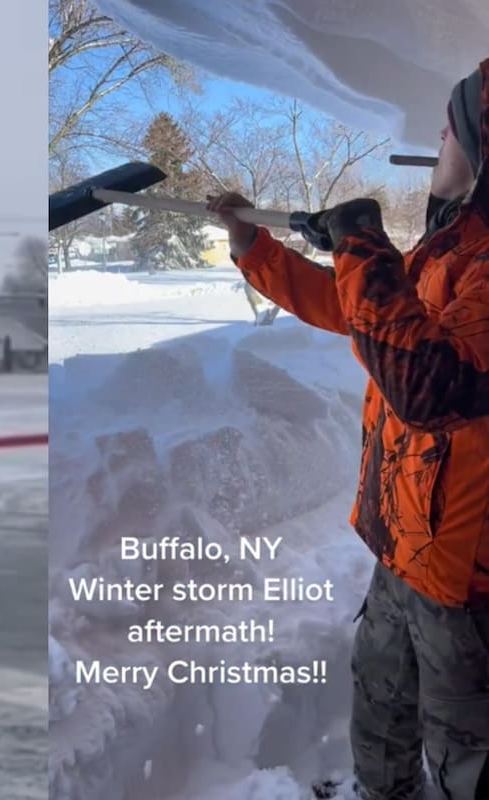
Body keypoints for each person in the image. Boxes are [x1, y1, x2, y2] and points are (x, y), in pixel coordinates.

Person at [208, 59, 489, 800]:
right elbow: (359, 312)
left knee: (469, 744)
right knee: (383, 695)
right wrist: (254, 247)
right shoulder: (453, 249)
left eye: (447, 128)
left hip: (468, 577)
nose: (436, 140)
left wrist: (361, 240)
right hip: (405, 545)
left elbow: (429, 385)